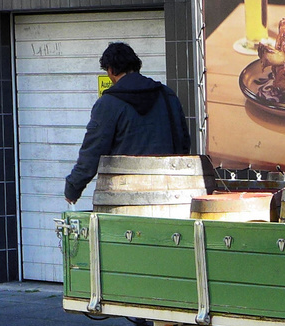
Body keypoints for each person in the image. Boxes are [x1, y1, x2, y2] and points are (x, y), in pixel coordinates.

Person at [63, 42, 191, 205]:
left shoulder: (109, 103)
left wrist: (73, 188)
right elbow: (183, 143)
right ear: (136, 66)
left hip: (124, 198)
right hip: (169, 195)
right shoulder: (167, 95)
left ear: (111, 70)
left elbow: (92, 151)